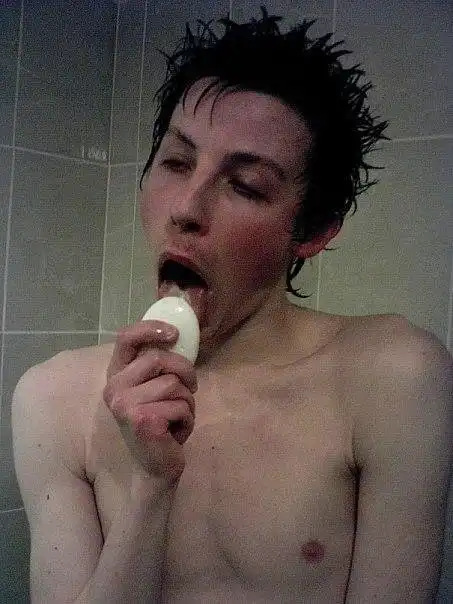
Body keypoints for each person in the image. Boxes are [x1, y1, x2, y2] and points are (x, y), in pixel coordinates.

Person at [12, 8, 453, 603]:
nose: (186, 208)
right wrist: (150, 489)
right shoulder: (51, 399)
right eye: (176, 162)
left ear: (313, 231)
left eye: (245, 185)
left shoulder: (391, 378)